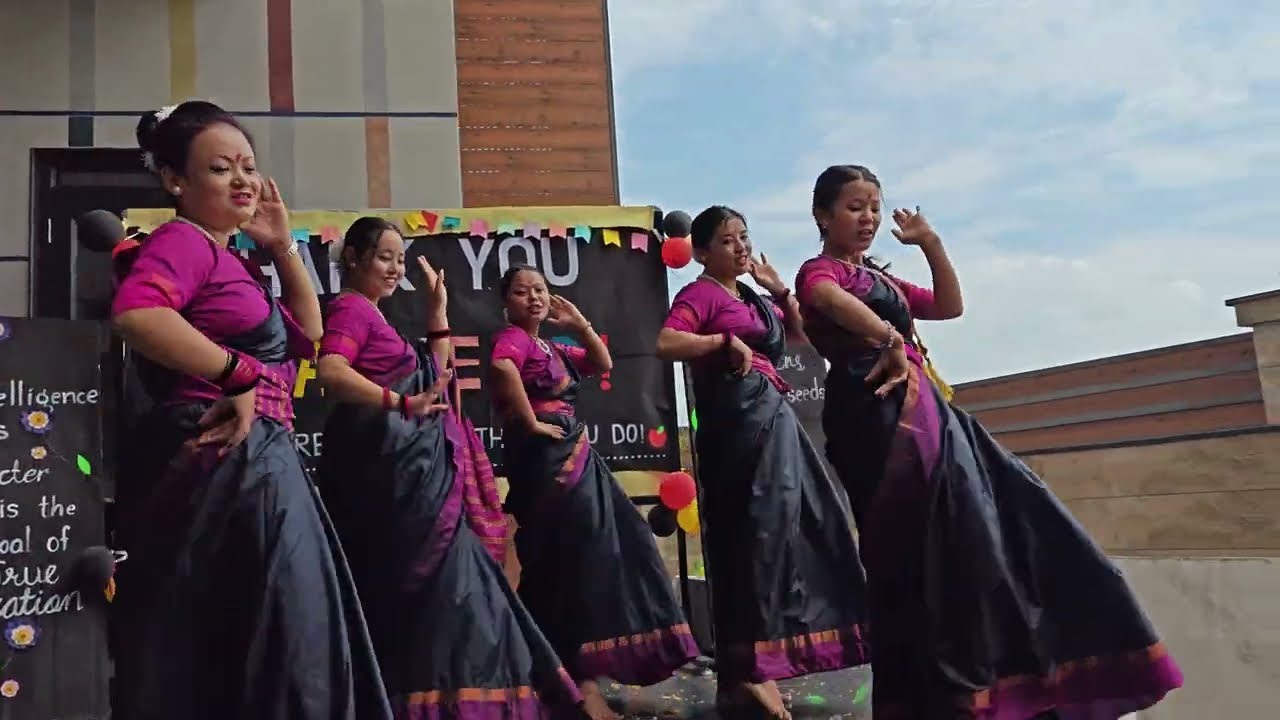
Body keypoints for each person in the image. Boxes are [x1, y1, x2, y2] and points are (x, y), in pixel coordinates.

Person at [794, 164, 1185, 718]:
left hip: (928, 409)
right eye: (855, 208)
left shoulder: (880, 279)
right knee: (928, 549)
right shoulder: (820, 270)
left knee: (1001, 522)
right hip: (875, 415)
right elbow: (826, 300)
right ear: (822, 216)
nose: (870, 219)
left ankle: (997, 680)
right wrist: (887, 337)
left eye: (875, 208)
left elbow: (949, 306)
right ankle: (941, 691)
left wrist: (930, 243)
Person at [108, 101, 391, 718]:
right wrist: (234, 372)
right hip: (225, 457)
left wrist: (283, 244)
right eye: (220, 168)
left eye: (249, 167)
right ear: (175, 180)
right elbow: (137, 313)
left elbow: (307, 335)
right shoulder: (182, 241)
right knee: (277, 633)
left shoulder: (229, 258)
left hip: (259, 459)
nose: (243, 180)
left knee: (280, 633)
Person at [314, 217, 581, 718]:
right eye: (384, 257)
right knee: (452, 590)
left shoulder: (374, 315)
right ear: (352, 257)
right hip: (397, 482)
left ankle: (461, 700)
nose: (395, 268)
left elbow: (434, 375)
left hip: (418, 481)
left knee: (459, 589)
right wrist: (399, 402)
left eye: (399, 258)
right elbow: (331, 370)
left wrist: (437, 313)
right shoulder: (351, 309)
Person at [655, 206, 871, 720]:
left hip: (774, 420)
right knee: (754, 539)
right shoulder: (700, 294)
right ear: (703, 252)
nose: (740, 247)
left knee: (797, 531)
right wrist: (721, 343)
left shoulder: (750, 295)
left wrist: (777, 289)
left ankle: (750, 670)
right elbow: (666, 342)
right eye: (728, 241)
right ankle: (747, 671)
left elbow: (797, 335)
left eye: (744, 238)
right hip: (737, 429)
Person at [489, 265, 700, 720]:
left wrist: (580, 323)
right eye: (522, 292)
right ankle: (578, 685)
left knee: (608, 549)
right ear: (506, 303)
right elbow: (502, 367)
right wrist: (529, 421)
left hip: (574, 454)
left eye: (540, 290)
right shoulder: (515, 340)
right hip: (548, 463)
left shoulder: (552, 346)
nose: (534, 298)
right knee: (574, 560)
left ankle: (560, 673)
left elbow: (602, 362)